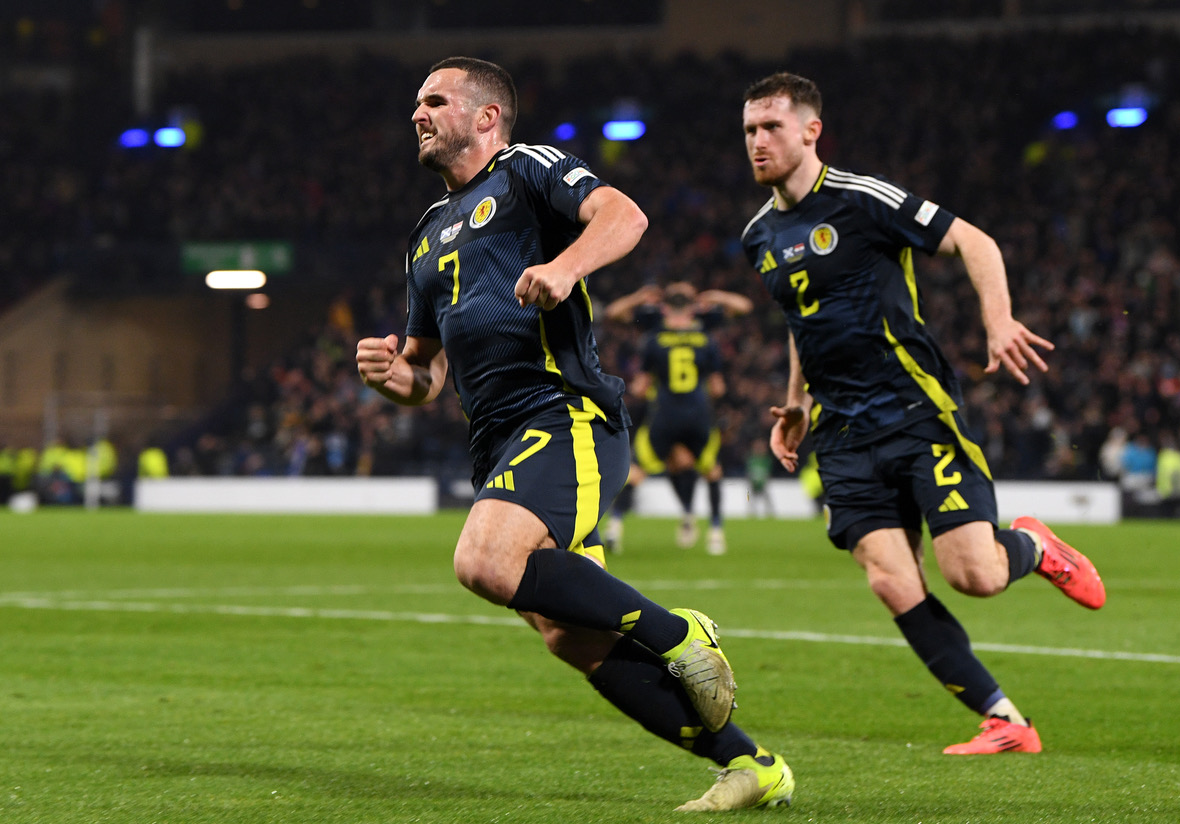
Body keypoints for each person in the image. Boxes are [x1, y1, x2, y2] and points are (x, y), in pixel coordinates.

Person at [355, 57, 792, 810]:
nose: (418, 114)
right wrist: (390, 377)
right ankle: (752, 765)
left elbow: (624, 216)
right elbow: (424, 377)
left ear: (486, 117)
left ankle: (678, 632)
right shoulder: (425, 236)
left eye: (436, 100)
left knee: (484, 560)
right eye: (415, 103)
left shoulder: (527, 170)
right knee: (571, 638)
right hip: (494, 441)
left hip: (564, 414)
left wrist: (565, 266)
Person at [740, 72, 1106, 755]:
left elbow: (976, 241)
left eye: (771, 129)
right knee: (890, 579)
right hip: (842, 433)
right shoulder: (758, 236)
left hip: (912, 410)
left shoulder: (861, 198)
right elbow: (801, 322)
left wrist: (998, 322)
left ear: (811, 131)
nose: (758, 143)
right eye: (750, 131)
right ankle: (1005, 720)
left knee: (976, 576)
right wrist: (795, 404)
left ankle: (1033, 545)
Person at [604, 282, 753, 554]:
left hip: (664, 413)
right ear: (693, 303)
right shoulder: (705, 336)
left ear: (664, 304)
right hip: (698, 413)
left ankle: (614, 526)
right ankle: (716, 533)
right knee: (709, 470)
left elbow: (640, 384)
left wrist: (638, 296)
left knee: (638, 471)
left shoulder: (654, 335)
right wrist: (717, 294)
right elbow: (718, 387)